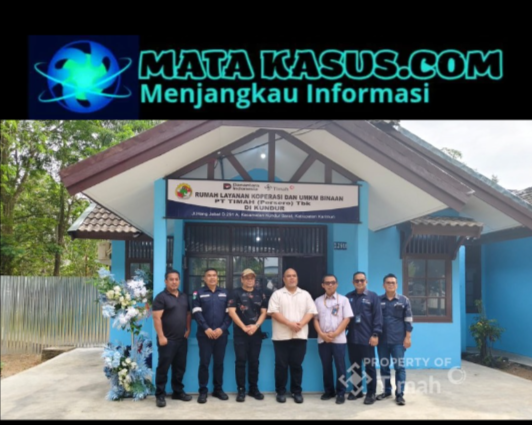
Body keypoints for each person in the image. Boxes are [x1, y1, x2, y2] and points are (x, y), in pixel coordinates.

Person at [267, 268, 318, 404]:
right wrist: (290, 324)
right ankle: (280, 392)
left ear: (297, 278)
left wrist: (300, 324)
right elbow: (273, 312)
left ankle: (297, 392)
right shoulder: (277, 294)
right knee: (281, 366)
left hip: (299, 336)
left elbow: (311, 312)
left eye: (294, 275)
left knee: (297, 365)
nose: (291, 278)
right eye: (288, 276)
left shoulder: (305, 294)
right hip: (281, 337)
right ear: (283, 279)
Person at [152, 269, 192, 407]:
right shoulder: (161, 297)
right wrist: (161, 336)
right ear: (166, 281)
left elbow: (188, 314)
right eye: (171, 279)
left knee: (180, 368)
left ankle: (177, 392)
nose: (174, 282)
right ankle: (160, 395)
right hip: (167, 340)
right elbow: (156, 318)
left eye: (176, 279)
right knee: (163, 368)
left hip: (182, 339)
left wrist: (188, 329)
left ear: (179, 281)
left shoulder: (184, 296)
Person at [227, 268, 268, 402]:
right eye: (247, 278)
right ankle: (241, 390)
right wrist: (244, 327)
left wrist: (255, 326)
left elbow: (264, 312)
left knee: (254, 362)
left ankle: (253, 389)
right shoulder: (235, 293)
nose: (250, 280)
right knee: (240, 361)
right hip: (240, 333)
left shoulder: (261, 294)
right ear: (242, 279)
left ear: (254, 280)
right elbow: (232, 312)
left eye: (252, 278)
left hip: (256, 333)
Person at [191, 268, 232, 403]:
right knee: (204, 363)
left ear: (217, 277)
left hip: (221, 335)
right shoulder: (198, 293)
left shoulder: (225, 293)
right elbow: (196, 312)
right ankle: (203, 391)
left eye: (214, 275)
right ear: (204, 278)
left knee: (219, 363)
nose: (212, 278)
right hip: (204, 336)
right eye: (209, 275)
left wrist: (222, 329)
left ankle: (218, 390)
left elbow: (229, 314)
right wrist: (206, 328)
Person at [313, 274, 354, 404]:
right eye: (327, 283)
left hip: (339, 340)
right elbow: (315, 319)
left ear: (337, 284)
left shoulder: (343, 300)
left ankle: (341, 392)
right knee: (326, 366)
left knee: (340, 366)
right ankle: (329, 391)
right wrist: (322, 334)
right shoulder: (318, 301)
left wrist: (335, 333)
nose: (330, 285)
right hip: (323, 339)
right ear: (323, 285)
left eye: (333, 282)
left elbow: (347, 319)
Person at [345, 271, 382, 404]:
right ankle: (357, 390)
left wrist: (375, 334)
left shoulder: (373, 297)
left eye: (362, 280)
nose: (359, 282)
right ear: (353, 282)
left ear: (366, 282)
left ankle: (371, 393)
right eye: (357, 280)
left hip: (367, 339)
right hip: (352, 338)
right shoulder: (348, 297)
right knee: (355, 366)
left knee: (370, 367)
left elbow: (378, 317)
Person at [376, 273, 413, 406]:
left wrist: (408, 338)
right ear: (383, 285)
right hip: (382, 341)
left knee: (399, 368)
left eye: (393, 282)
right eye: (388, 282)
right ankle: (387, 391)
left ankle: (400, 394)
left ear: (397, 285)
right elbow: (375, 319)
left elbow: (408, 320)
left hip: (398, 340)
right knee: (384, 367)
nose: (391, 284)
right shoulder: (378, 300)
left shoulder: (404, 300)